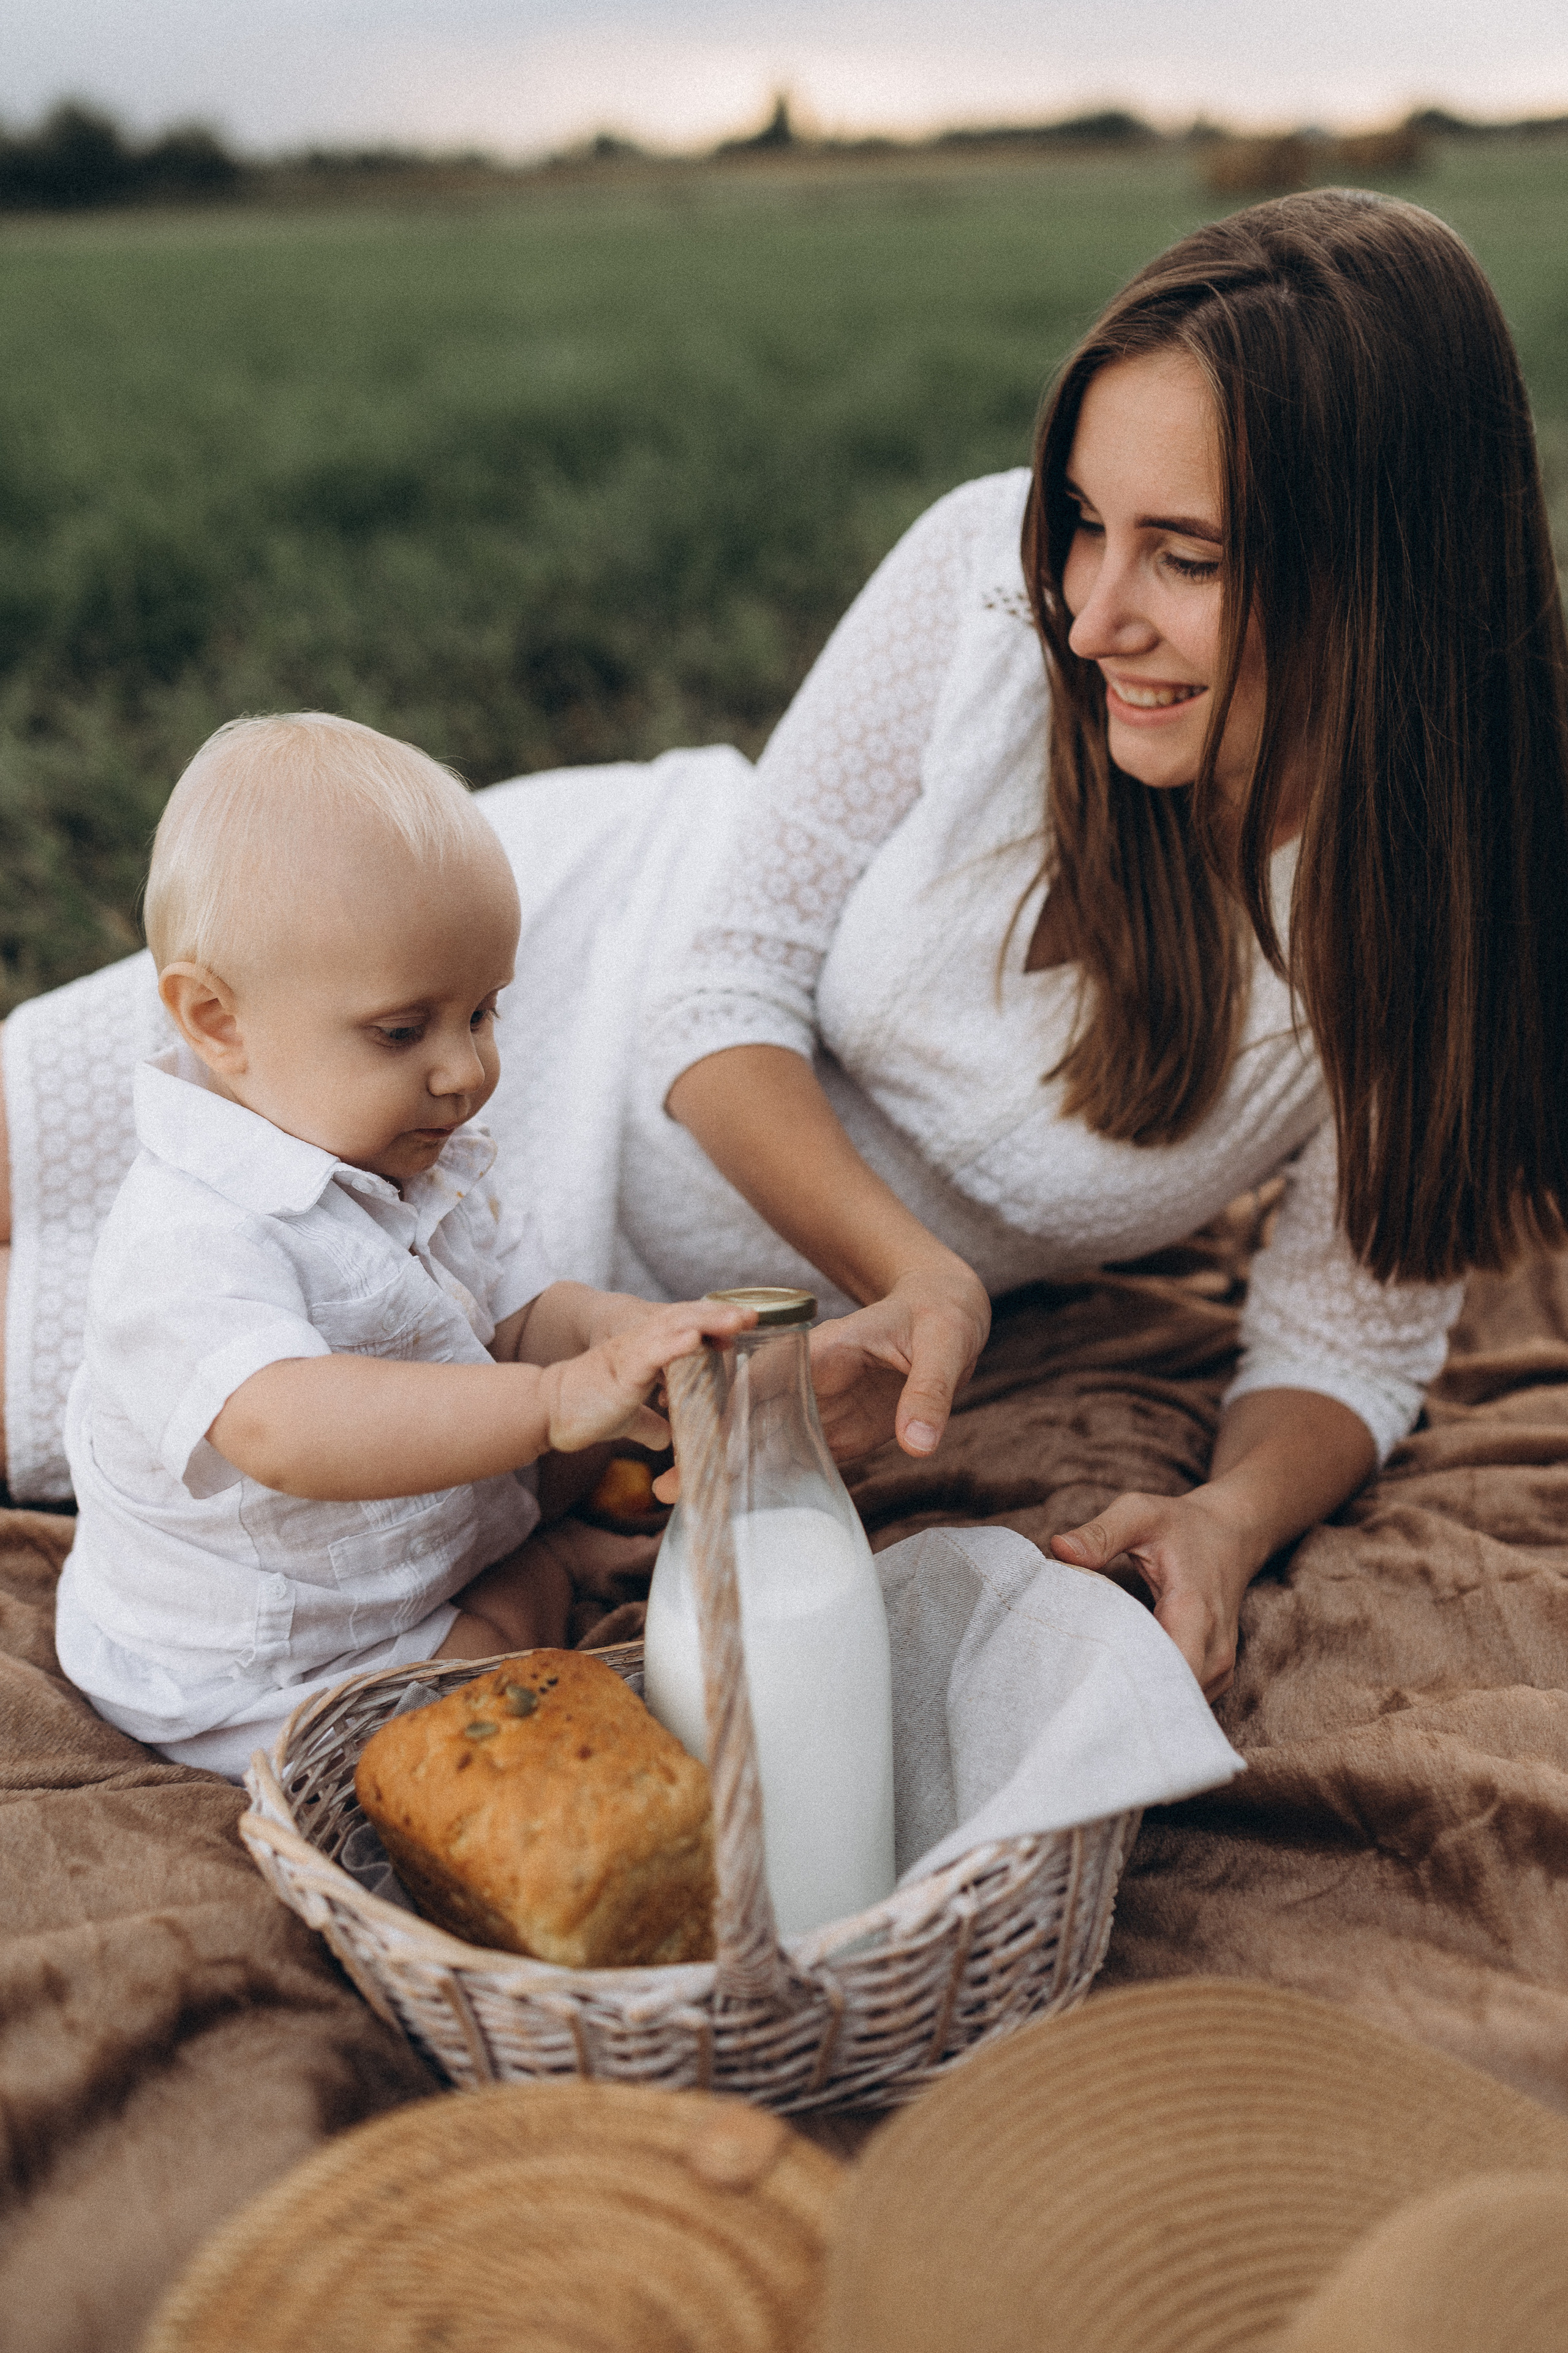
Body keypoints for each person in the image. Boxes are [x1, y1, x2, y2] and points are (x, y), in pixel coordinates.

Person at [4, 189, 1565, 1707]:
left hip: (567, 1297)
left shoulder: (1447, 911)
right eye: (1083, 523)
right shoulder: (984, 585)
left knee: (82, 1404)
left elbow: (1349, 1326)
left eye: (1188, 557)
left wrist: (1226, 1520)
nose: (1088, 618)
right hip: (475, 969)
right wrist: (915, 1274)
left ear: (1390, 571)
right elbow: (719, 982)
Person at [54, 712, 752, 1777]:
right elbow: (285, 1425)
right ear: (217, 1022)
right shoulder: (189, 1231)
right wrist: (557, 1404)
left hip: (397, 1561)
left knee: (574, 1418)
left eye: (484, 1014)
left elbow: (520, 1316)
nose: (465, 1070)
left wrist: (624, 1337)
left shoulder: (401, 1154)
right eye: (403, 1030)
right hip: (260, 1671)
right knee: (457, 1717)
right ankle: (549, 1569)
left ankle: (520, 1544)